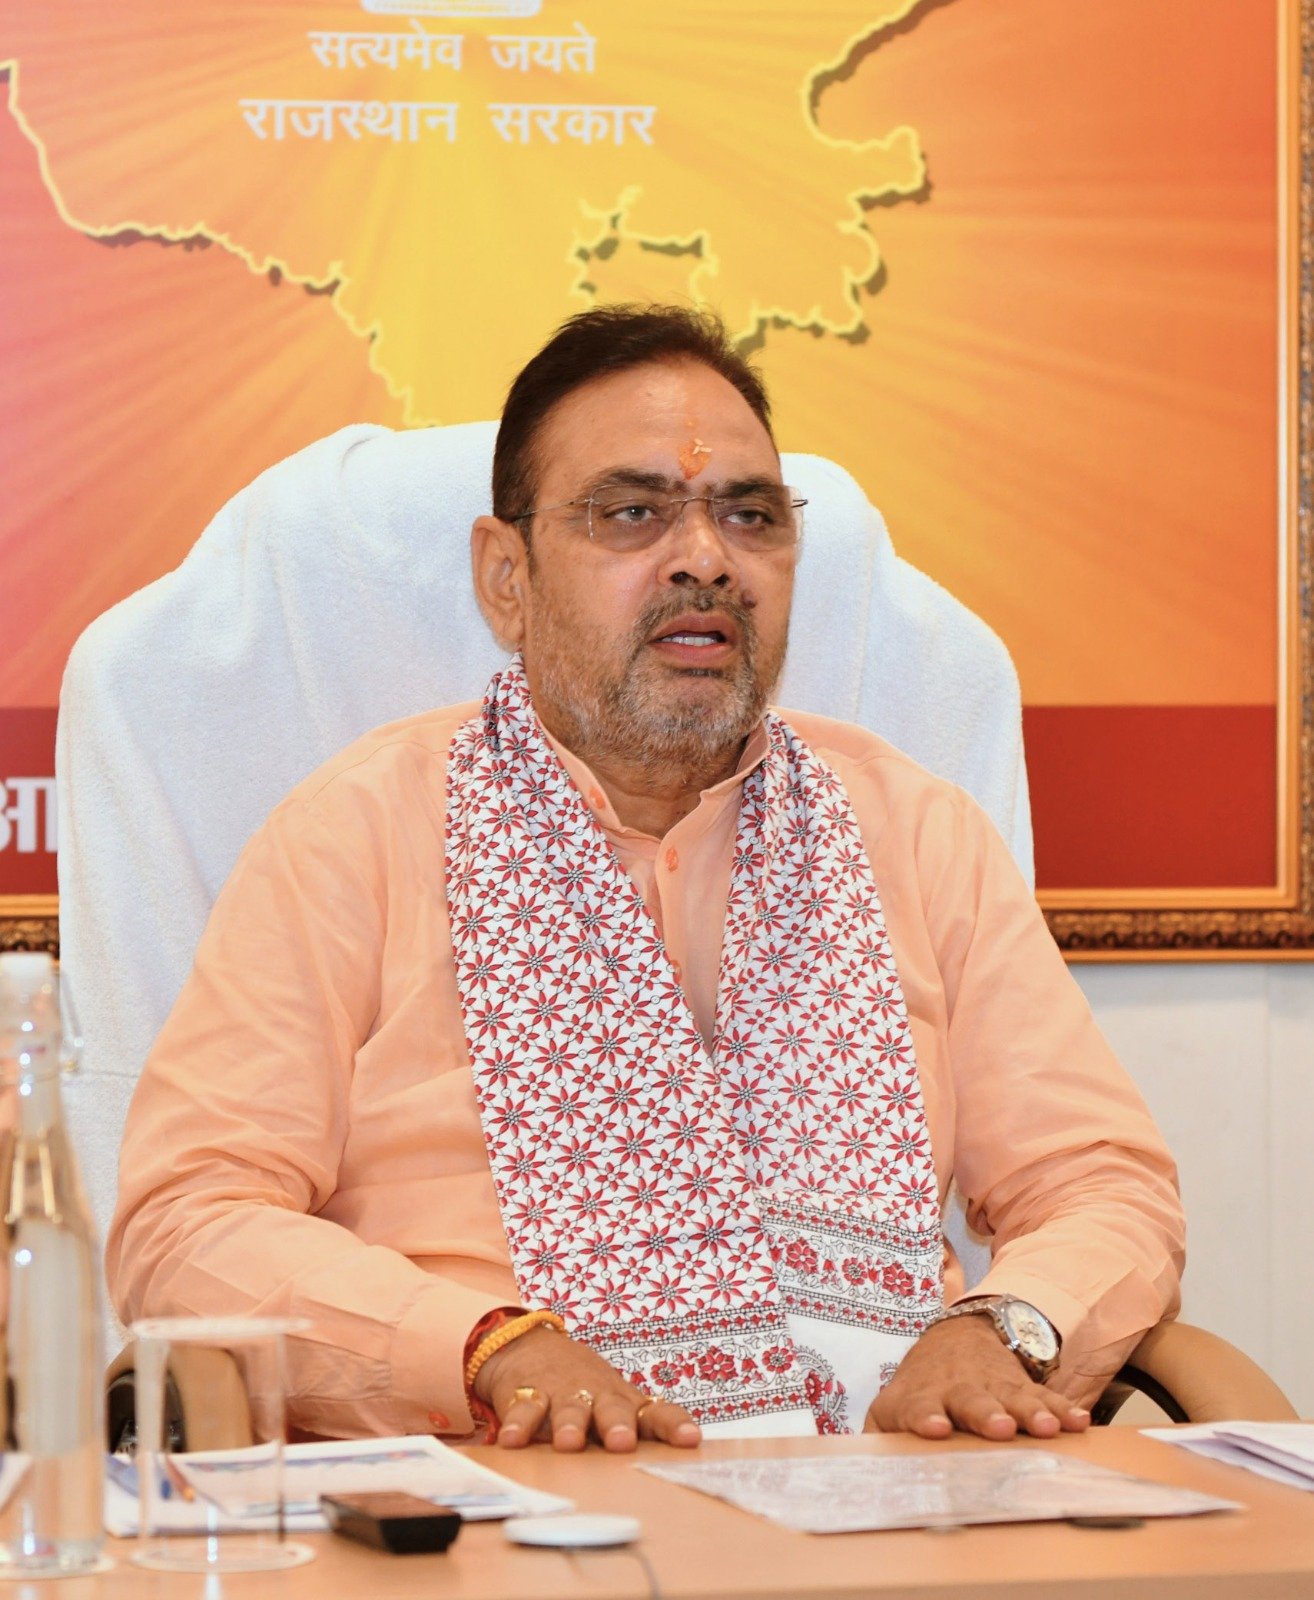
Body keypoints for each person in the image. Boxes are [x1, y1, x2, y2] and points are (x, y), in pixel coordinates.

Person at [107, 305, 1184, 1454]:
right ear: (506, 577)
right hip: (499, 1491)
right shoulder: (356, 837)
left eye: (750, 516)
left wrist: (1004, 1327)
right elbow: (187, 1223)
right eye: (632, 513)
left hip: (891, 1487)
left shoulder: (916, 836)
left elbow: (1103, 1184)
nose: (707, 558)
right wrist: (480, 1349)